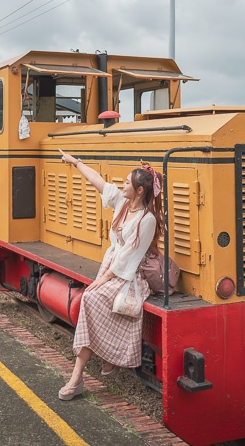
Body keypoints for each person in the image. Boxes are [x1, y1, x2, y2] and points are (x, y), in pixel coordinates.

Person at [56, 149, 163, 401]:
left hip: (129, 276)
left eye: (127, 182)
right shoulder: (123, 204)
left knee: (90, 299)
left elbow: (129, 257)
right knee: (91, 300)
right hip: (112, 269)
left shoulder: (147, 220)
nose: (122, 184)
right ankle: (98, 363)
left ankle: (77, 376)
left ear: (139, 191)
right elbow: (98, 181)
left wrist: (102, 280)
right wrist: (76, 162)